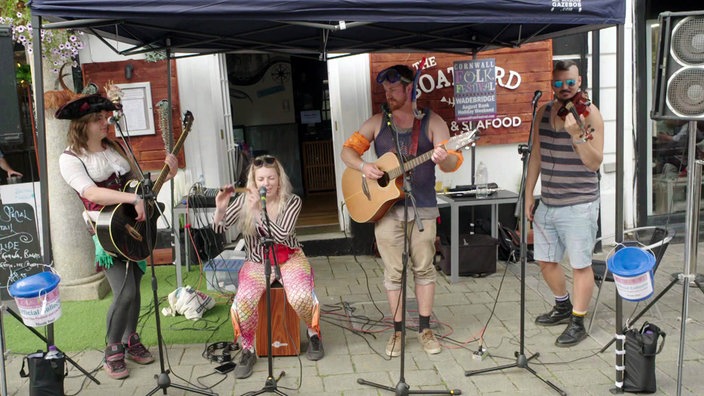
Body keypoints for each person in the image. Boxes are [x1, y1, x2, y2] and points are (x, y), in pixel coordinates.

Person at [340, 64, 463, 357]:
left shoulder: (434, 123)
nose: (388, 95)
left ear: (410, 89)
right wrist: (364, 166)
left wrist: (442, 156)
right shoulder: (377, 122)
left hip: (422, 208)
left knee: (424, 269)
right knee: (393, 273)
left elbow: (450, 162)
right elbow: (347, 152)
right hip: (385, 210)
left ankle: (425, 329)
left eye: (394, 90)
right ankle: (397, 332)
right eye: (386, 90)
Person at [57, 94, 179, 379]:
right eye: (98, 120)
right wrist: (132, 198)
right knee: (123, 291)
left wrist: (167, 175)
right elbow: (90, 193)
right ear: (82, 125)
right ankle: (112, 349)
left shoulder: (114, 147)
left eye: (105, 118)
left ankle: (130, 338)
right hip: (105, 229)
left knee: (135, 288)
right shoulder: (71, 158)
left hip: (130, 226)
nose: (105, 124)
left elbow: (138, 185)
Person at [213, 154, 324, 379]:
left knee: (301, 296)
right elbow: (218, 231)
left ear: (280, 179)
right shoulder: (244, 201)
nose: (266, 184)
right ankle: (248, 349)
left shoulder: (292, 201)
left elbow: (282, 235)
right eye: (261, 179)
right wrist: (220, 209)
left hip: (289, 258)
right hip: (255, 260)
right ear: (253, 181)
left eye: (271, 178)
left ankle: (313, 334)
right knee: (243, 301)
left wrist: (256, 212)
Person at [525, 60, 605, 347]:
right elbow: (536, 155)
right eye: (558, 84)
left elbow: (595, 163)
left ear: (579, 81)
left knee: (581, 265)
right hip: (548, 201)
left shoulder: (590, 114)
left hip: (579, 204)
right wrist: (527, 196)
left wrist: (577, 136)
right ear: (552, 85)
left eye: (570, 83)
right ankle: (562, 305)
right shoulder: (544, 113)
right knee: (545, 261)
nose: (565, 88)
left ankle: (578, 321)